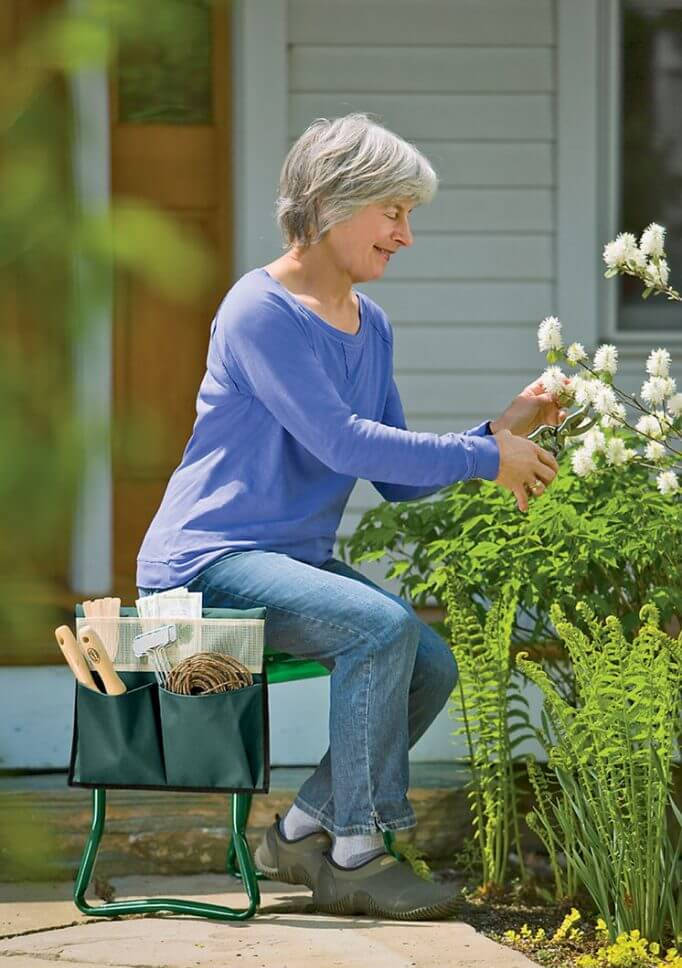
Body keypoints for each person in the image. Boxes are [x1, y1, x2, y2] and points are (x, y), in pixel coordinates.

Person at [137, 112, 564, 920]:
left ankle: (303, 829)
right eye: (394, 212)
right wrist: (485, 458)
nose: (405, 236)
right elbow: (341, 441)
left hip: (285, 563)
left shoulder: (372, 326)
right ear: (334, 203)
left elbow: (393, 472)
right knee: (380, 627)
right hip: (203, 566)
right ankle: (357, 850)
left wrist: (501, 431)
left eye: (410, 216)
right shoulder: (259, 310)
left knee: (429, 660)